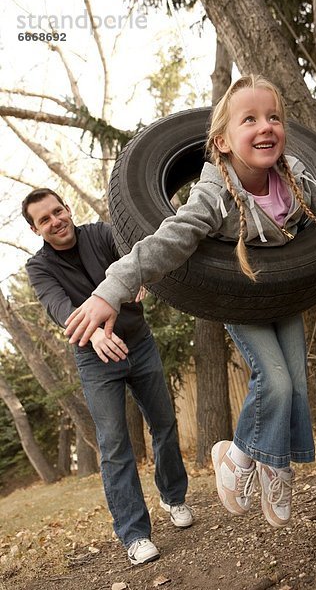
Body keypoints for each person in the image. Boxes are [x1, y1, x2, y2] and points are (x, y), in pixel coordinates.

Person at [63, 74, 316, 529]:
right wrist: (110, 290)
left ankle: (252, 458)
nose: (266, 127)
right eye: (251, 119)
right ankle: (253, 464)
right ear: (222, 141)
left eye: (274, 117)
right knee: (276, 383)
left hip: (283, 293)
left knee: (296, 387)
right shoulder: (213, 195)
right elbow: (167, 240)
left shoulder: (297, 182)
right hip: (240, 297)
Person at [22, 189, 193, 566]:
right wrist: (94, 332)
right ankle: (134, 535)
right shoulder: (39, 268)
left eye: (57, 211)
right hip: (94, 357)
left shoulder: (101, 233)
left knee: (164, 424)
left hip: (140, 343)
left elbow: (134, 259)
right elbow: (58, 306)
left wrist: (140, 279)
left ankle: (173, 496)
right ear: (36, 230)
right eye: (44, 220)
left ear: (68, 209)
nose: (56, 221)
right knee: (115, 445)